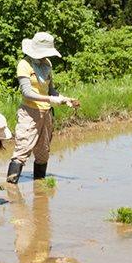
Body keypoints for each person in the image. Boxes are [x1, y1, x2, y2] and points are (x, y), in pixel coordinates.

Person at [6, 31, 78, 185]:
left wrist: (65, 99)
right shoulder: (24, 65)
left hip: (46, 113)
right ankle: (12, 190)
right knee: (22, 150)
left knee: (43, 152)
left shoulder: (47, 64)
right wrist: (51, 99)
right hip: (29, 113)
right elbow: (27, 93)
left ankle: (40, 190)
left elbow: (51, 90)